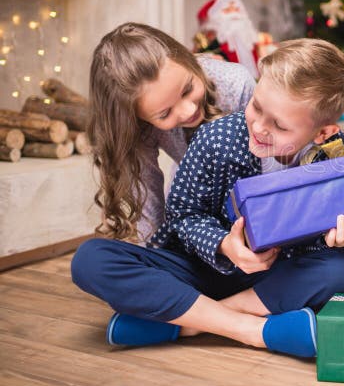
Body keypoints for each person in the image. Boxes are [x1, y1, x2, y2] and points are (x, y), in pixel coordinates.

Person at [72, 38, 344, 358]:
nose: (259, 126)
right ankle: (255, 330)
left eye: (279, 126)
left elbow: (321, 241)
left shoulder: (337, 159)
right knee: (91, 260)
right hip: (205, 268)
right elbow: (183, 215)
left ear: (323, 133)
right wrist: (223, 244)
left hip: (273, 275)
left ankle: (187, 323)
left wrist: (343, 237)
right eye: (256, 106)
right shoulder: (217, 137)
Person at [87, 22, 256, 246]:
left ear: (188, 61)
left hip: (253, 213)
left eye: (187, 90)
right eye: (165, 114)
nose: (189, 110)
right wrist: (158, 254)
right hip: (196, 220)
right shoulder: (139, 128)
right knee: (92, 254)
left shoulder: (235, 83)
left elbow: (271, 171)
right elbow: (150, 206)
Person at [193, 0, 276, 80]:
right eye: (227, 10)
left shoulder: (250, 39)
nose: (234, 14)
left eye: (237, 9)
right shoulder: (210, 39)